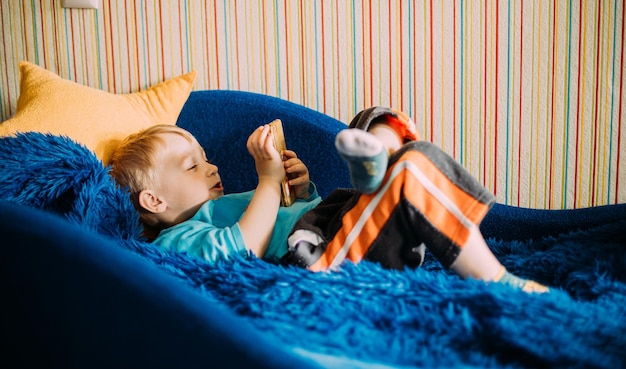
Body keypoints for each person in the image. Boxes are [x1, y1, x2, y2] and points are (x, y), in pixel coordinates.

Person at [110, 107, 549, 293]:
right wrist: (266, 181)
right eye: (193, 166)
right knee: (415, 168)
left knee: (376, 119)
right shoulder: (172, 246)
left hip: (332, 225)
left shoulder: (220, 204)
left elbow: (289, 215)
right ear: (153, 200)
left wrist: (298, 190)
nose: (213, 168)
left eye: (207, 160)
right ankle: (498, 281)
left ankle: (374, 166)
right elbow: (245, 248)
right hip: (316, 263)